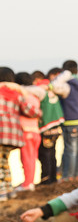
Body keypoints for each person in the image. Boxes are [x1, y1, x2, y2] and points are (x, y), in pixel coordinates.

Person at [0, 67, 42, 201]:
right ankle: (8, 191)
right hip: (14, 135)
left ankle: (2, 192)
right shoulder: (17, 94)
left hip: (1, 134)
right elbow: (32, 111)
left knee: (1, 163)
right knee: (4, 162)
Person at [51, 60, 78, 179]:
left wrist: (63, 76)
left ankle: (68, 176)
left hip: (70, 122)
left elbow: (53, 86)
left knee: (70, 151)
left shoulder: (67, 87)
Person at [15, 72, 45, 191]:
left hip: (25, 131)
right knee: (32, 158)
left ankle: (27, 184)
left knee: (26, 159)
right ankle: (30, 182)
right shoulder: (36, 97)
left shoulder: (22, 96)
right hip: (35, 132)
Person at [36, 67, 65, 184]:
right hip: (56, 127)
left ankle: (46, 178)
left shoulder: (39, 89)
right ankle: (53, 177)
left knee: (45, 154)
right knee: (52, 153)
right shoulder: (54, 88)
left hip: (46, 128)